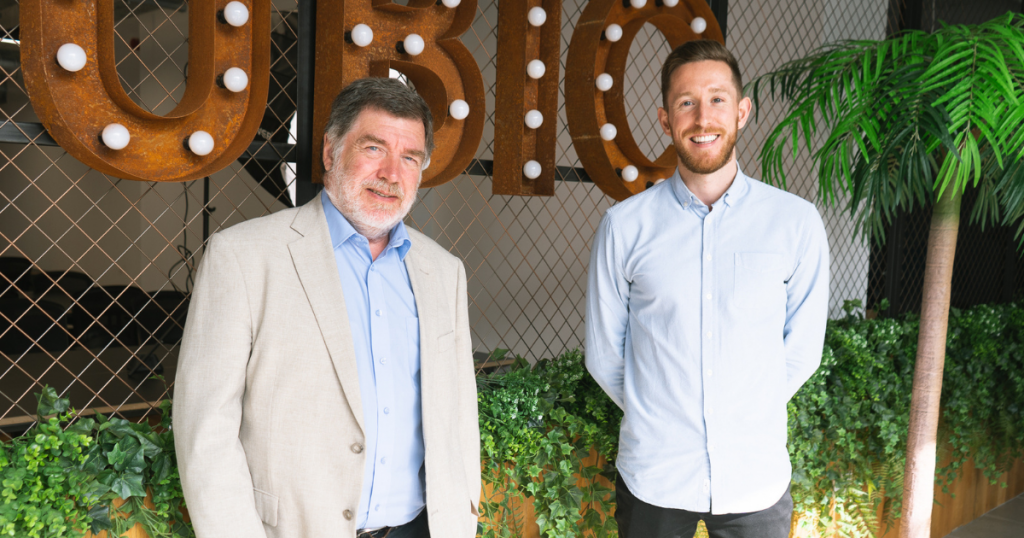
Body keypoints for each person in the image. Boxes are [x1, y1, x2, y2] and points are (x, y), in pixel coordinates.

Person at [174, 77, 480, 538]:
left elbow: (458, 415)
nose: (391, 174)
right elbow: (205, 428)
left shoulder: (444, 272)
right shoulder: (243, 256)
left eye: (410, 157)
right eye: (374, 148)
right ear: (331, 151)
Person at [585, 40, 829, 538]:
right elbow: (604, 354)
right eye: (686, 103)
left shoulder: (796, 224)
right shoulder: (624, 226)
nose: (702, 118)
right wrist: (661, 416)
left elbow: (801, 350)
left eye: (717, 99)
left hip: (754, 477)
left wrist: (742, 412)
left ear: (742, 111)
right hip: (655, 476)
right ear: (664, 118)